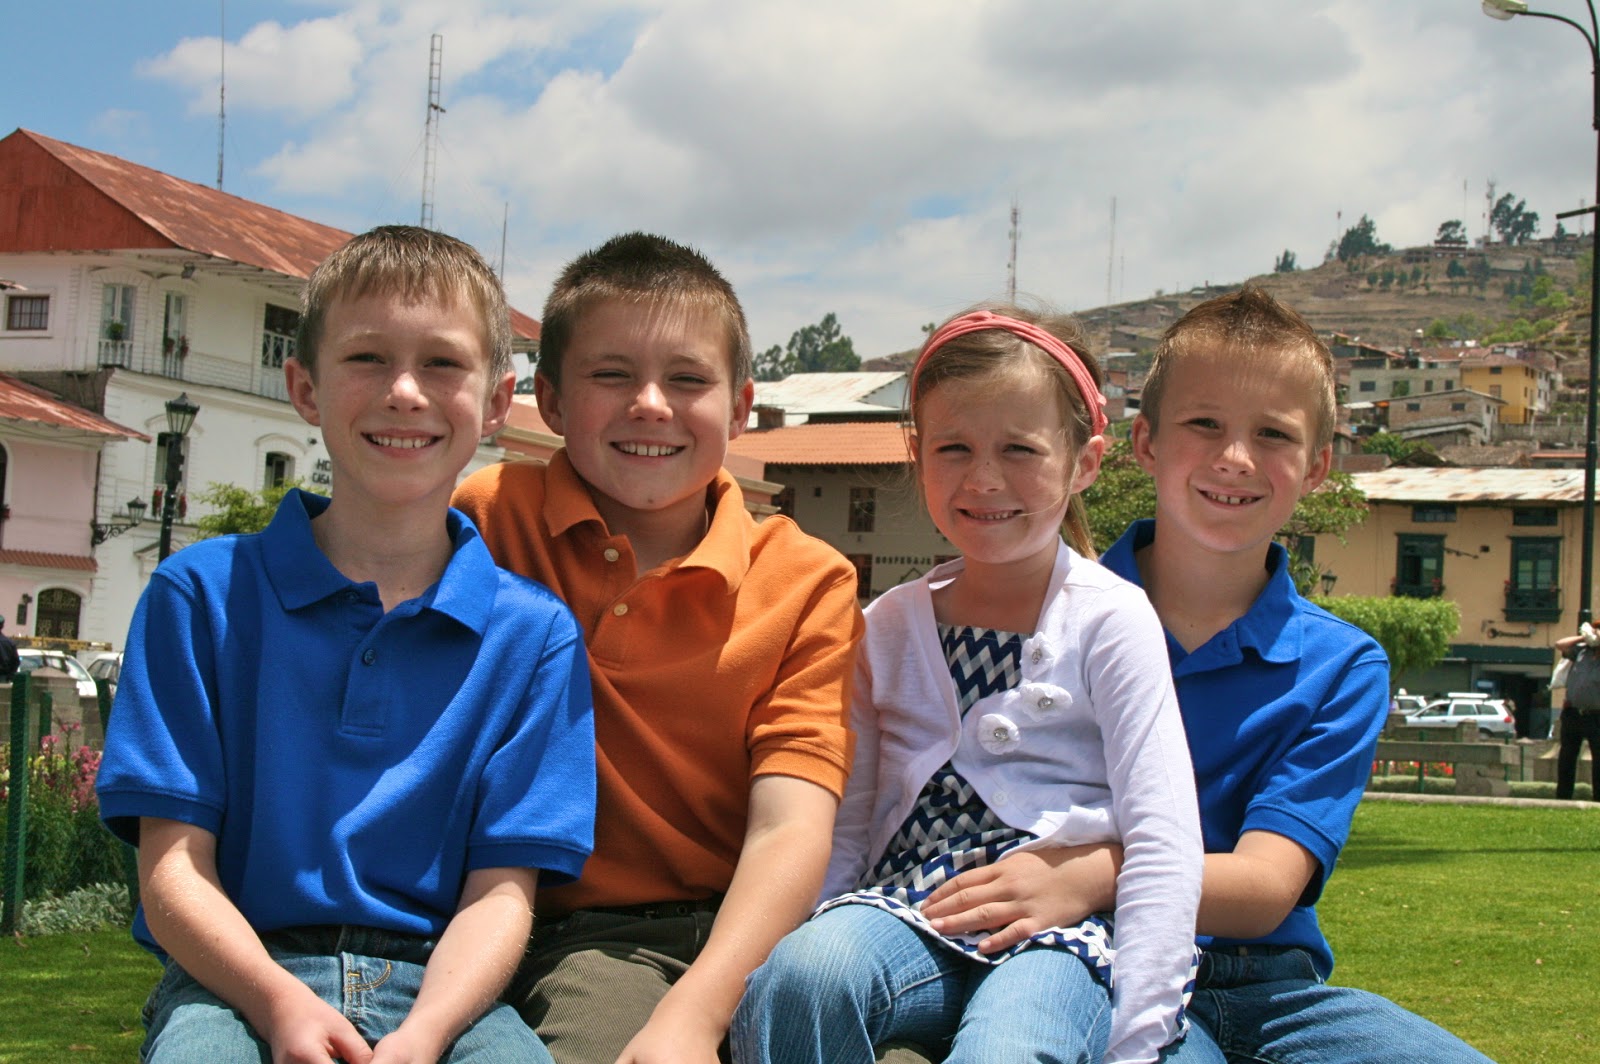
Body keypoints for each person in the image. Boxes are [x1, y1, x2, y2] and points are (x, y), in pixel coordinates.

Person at [918, 286, 1494, 1063]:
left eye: (1273, 434)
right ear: (1145, 443)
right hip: (1086, 965)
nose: (1235, 458)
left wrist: (1095, 874)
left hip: (1269, 988)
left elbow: (1265, 888)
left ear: (1318, 466)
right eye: (1205, 425)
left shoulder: (1342, 666)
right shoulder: (1038, 617)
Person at [95, 225, 597, 1064]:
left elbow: (502, 892)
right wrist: (279, 1004)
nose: (404, 391)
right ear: (304, 387)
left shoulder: (535, 637)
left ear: (496, 401)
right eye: (367, 358)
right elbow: (173, 866)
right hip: (236, 983)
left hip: (445, 994)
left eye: (443, 362)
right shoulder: (200, 596)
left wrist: (426, 1035)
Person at [730, 308, 1203, 1064]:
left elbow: (1163, 833)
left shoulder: (1111, 620)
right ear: (917, 456)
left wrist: (1141, 1037)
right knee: (801, 979)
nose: (983, 479)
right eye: (954, 448)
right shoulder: (886, 625)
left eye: (1020, 449)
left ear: (1084, 462)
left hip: (1056, 933)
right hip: (905, 906)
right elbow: (850, 821)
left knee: (1009, 1048)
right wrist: (814, 928)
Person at [451, 232, 863, 1064]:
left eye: (688, 379)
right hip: (552, 929)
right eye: (611, 375)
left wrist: (698, 1014)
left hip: (736, 934)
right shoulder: (488, 519)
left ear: (740, 408)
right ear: (551, 401)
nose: (650, 404)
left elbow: (789, 828)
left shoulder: (806, 578)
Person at [1553, 622, 1600, 801]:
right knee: (1567, 756)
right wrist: (1584, 637)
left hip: (1596, 715)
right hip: (1573, 713)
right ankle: (1563, 797)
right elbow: (1560, 644)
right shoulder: (1581, 651)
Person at [0, 615, 18, 682]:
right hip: (3, 678)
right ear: (2, 626)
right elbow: (16, 661)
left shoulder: (9, 643)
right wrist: (10, 676)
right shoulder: (10, 643)